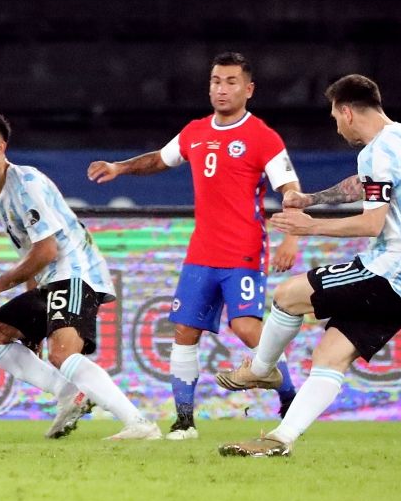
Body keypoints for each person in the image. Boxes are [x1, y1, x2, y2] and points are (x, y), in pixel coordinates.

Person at [216, 74, 401, 457]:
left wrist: (309, 226)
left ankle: (262, 367)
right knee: (330, 356)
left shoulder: (377, 151)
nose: (336, 126)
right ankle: (279, 440)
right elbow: (363, 183)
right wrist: (311, 199)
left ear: (348, 112)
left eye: (335, 116)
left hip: (389, 271)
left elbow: (372, 224)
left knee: (287, 295)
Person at [87, 52, 301, 440]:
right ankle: (184, 422)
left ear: (249, 89)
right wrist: (120, 167)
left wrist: (293, 237)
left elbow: (291, 190)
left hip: (244, 250)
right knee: (184, 332)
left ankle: (291, 400)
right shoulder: (196, 132)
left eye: (231, 81)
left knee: (246, 327)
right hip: (202, 251)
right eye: (216, 81)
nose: (222, 88)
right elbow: (159, 159)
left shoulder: (263, 137)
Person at [0, 111, 161, 441]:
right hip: (50, 281)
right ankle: (69, 394)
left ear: (0, 147)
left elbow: (48, 251)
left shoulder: (25, 183)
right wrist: (32, 315)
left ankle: (139, 424)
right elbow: (33, 254)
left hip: (76, 273)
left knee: (63, 353)